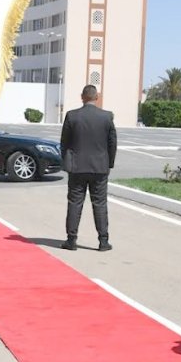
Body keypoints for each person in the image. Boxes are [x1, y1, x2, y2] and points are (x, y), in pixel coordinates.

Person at [59, 84, 117, 251]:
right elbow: (112, 143)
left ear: (82, 97)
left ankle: (71, 240)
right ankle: (103, 241)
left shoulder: (72, 116)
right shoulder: (107, 117)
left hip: (77, 167)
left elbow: (64, 142)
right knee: (99, 203)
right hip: (100, 167)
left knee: (75, 203)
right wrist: (109, 163)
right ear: (96, 97)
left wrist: (67, 162)